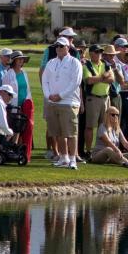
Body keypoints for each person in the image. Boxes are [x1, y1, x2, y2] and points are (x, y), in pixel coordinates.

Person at [42, 37, 84, 170]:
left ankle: (72, 159)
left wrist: (61, 96)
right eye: (57, 46)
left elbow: (75, 82)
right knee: (58, 132)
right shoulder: (51, 63)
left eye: (61, 46)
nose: (59, 48)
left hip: (69, 102)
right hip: (52, 102)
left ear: (68, 47)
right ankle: (63, 157)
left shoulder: (74, 62)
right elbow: (45, 80)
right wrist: (48, 95)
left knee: (70, 132)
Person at [82, 44, 115, 160]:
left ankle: (100, 149)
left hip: (105, 98)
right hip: (93, 98)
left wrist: (99, 78)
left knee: (104, 126)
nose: (99, 54)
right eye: (97, 52)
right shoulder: (87, 66)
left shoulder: (105, 64)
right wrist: (103, 77)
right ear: (91, 54)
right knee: (90, 126)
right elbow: (89, 80)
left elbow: (112, 79)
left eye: (100, 52)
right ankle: (88, 150)